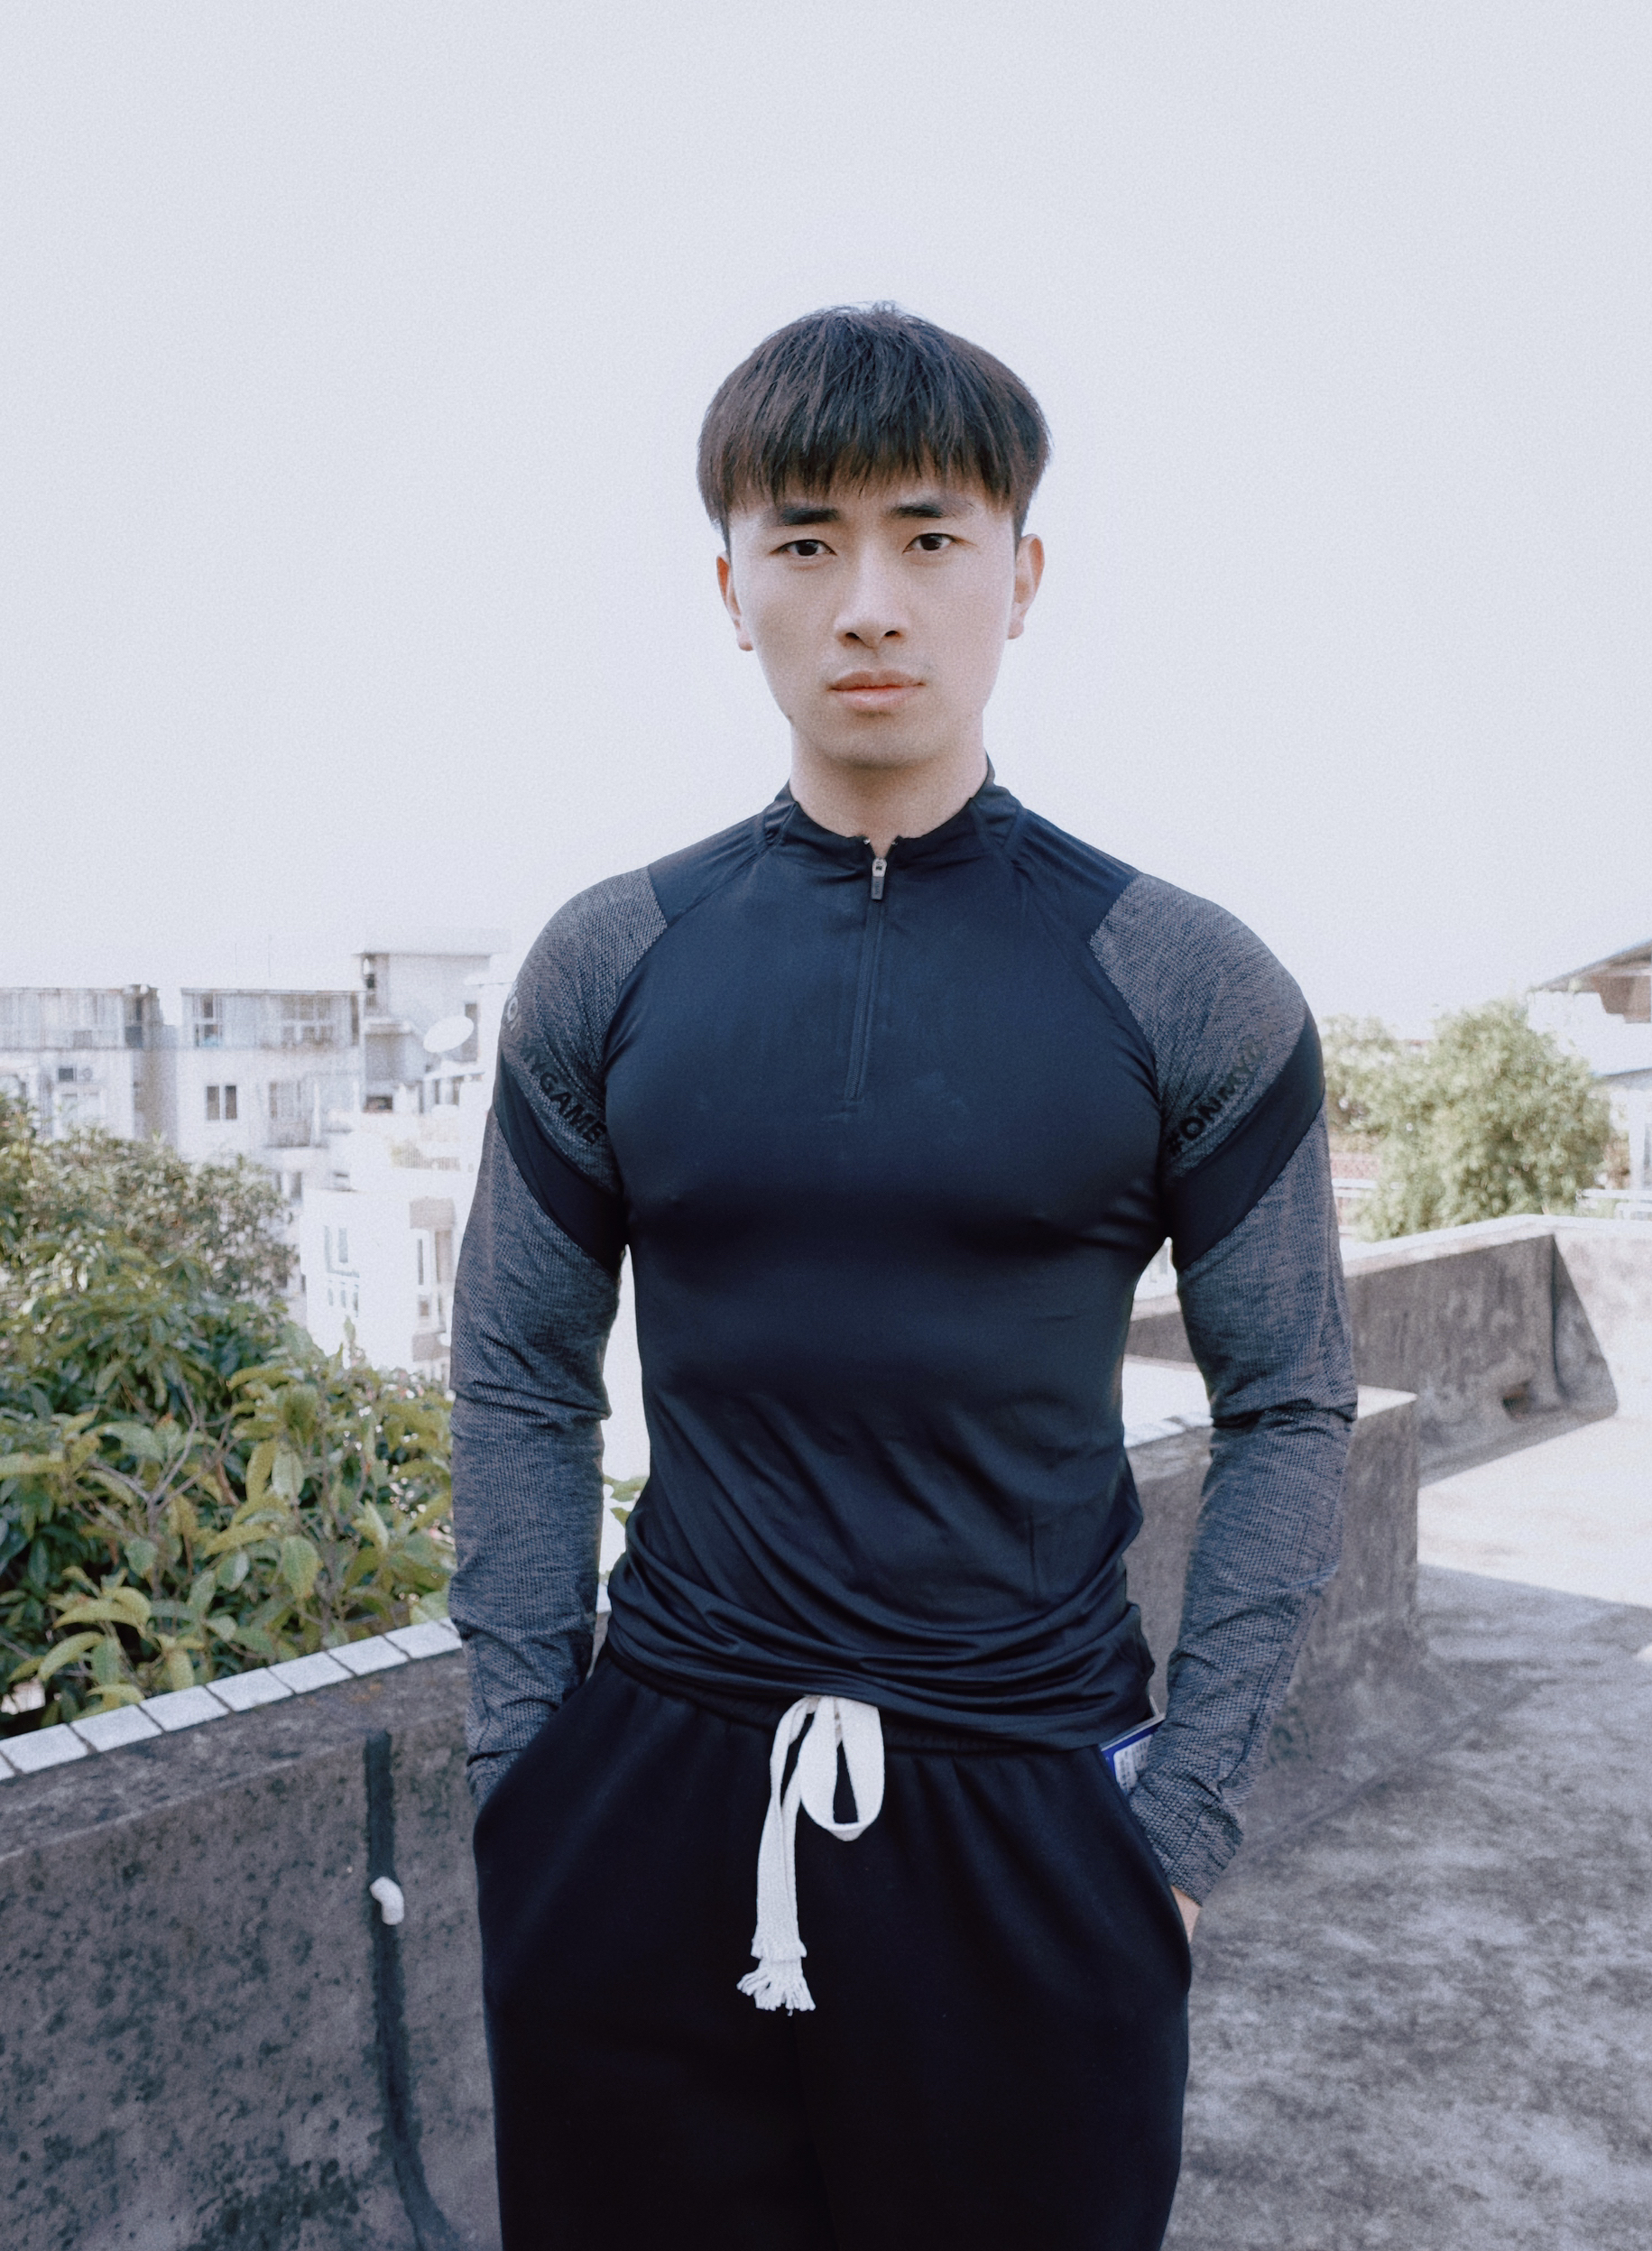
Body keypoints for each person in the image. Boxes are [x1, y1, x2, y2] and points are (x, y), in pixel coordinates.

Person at [449, 303, 1355, 2251]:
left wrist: (1175, 1830)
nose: (868, 601)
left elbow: (1290, 1402)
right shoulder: (610, 961)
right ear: (732, 587)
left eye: (929, 537)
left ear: (1019, 576)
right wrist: (525, 1781)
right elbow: (519, 1369)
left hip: (1032, 1822)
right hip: (646, 1809)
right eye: (806, 540)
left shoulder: (1186, 981)